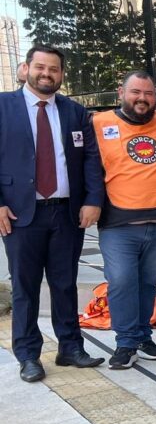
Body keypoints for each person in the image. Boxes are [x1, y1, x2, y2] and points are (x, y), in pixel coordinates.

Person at [0, 45, 106, 382]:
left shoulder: (75, 111)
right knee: (25, 287)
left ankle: (70, 347)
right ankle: (29, 355)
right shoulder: (3, 107)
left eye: (54, 69)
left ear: (62, 74)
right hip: (19, 215)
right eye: (41, 68)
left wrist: (93, 200)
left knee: (65, 283)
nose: (47, 75)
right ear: (26, 68)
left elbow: (91, 159)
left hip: (66, 213)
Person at [93, 71, 156, 369]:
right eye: (135, 92)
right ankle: (125, 342)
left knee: (148, 282)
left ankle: (144, 336)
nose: (142, 98)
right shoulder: (99, 122)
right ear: (121, 92)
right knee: (121, 282)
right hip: (118, 224)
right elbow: (86, 167)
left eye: (147, 93)